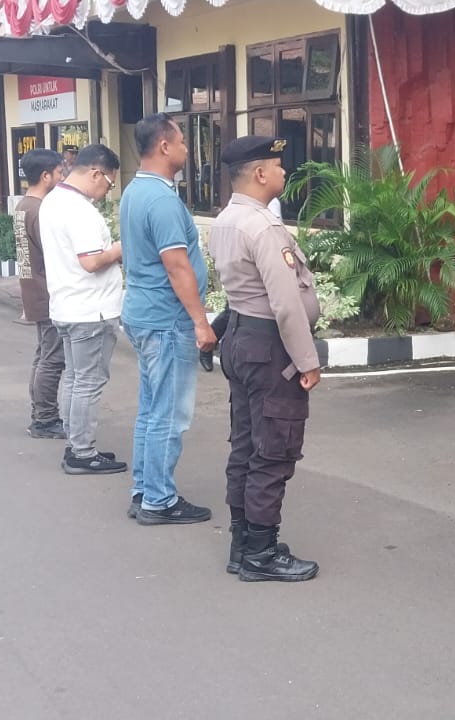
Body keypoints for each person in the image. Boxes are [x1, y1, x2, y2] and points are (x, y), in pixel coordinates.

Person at [208, 136, 323, 582]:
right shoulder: (261, 226)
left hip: (241, 338)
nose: (283, 171)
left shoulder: (226, 220)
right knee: (273, 449)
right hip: (270, 347)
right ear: (259, 173)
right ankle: (261, 554)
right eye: (277, 165)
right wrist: (307, 360)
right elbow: (286, 303)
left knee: (245, 446)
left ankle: (243, 544)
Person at [119, 113, 216, 526]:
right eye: (181, 142)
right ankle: (159, 501)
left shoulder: (134, 191)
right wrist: (201, 322)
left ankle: (145, 490)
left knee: (151, 409)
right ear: (164, 146)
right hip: (166, 320)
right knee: (169, 414)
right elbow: (177, 266)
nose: (186, 149)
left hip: (144, 314)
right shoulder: (161, 200)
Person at [40, 144, 128, 475]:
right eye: (109, 182)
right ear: (95, 173)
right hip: (91, 310)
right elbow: (91, 261)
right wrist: (120, 248)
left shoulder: (53, 201)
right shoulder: (79, 210)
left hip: (67, 305)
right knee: (88, 382)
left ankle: (76, 443)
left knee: (76, 379)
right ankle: (82, 451)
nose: (107, 190)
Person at [15, 148, 68, 440]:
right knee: (52, 358)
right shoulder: (40, 210)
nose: (62, 177)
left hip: (33, 290)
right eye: (59, 172)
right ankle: (45, 419)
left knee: (44, 355)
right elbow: (55, 254)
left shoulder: (24, 206)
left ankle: (41, 413)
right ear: (46, 175)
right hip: (48, 292)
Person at [202, 198, 284, 373]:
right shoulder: (238, 204)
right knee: (233, 311)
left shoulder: (268, 202)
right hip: (247, 266)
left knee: (235, 311)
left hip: (259, 264)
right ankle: (208, 346)